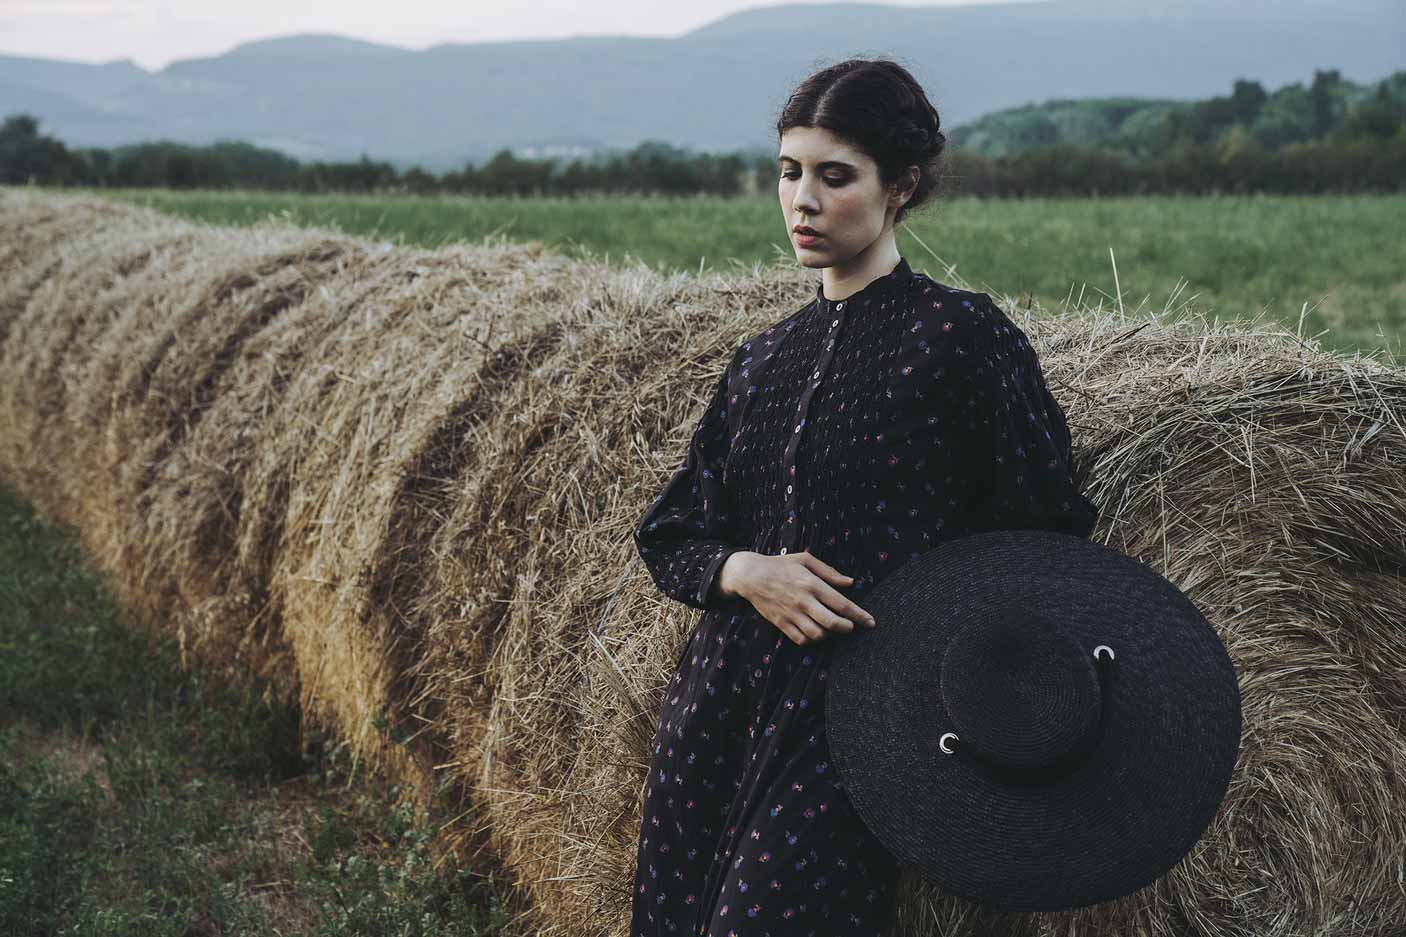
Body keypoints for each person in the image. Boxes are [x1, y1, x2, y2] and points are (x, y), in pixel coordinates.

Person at [628, 58, 1100, 937]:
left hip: (861, 717)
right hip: (720, 709)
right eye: (788, 172)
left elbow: (1043, 526)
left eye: (834, 176)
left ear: (903, 185)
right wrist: (743, 570)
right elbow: (672, 532)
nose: (802, 200)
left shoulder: (962, 338)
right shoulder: (762, 359)